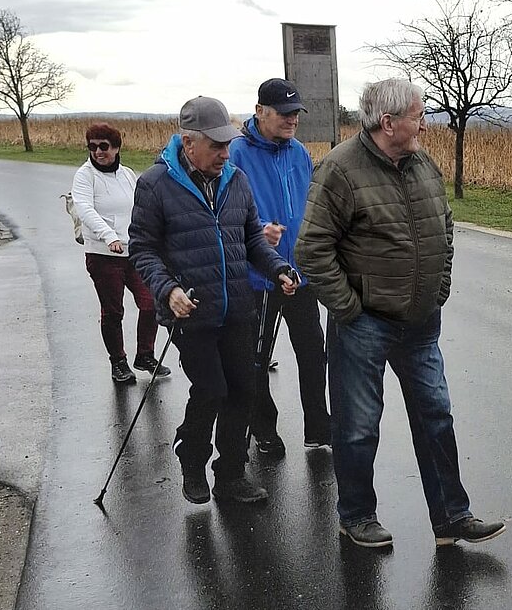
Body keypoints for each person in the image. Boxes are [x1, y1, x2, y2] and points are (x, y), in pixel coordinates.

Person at [295, 78, 506, 549]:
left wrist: (439, 288)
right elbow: (311, 250)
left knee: (436, 417)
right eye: (418, 116)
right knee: (358, 425)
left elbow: (444, 227)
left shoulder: (423, 164)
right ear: (388, 123)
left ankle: (452, 517)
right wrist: (349, 307)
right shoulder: (340, 170)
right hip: (364, 323)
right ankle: (356, 516)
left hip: (420, 324)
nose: (425, 125)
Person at [129, 96, 296, 506]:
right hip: (191, 311)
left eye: (227, 144)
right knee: (211, 389)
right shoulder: (155, 184)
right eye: (217, 145)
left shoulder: (236, 180)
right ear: (189, 143)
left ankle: (231, 474)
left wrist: (277, 268)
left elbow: (252, 238)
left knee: (243, 389)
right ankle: (192, 456)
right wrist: (168, 289)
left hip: (238, 306)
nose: (225, 153)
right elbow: (143, 249)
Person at [228, 78, 331, 458]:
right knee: (256, 358)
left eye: (296, 113)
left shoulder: (299, 153)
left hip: (298, 274)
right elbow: (223, 213)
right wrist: (256, 231)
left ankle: (318, 427)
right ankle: (264, 428)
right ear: (260, 111)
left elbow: (309, 206)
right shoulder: (236, 153)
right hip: (257, 276)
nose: (292, 120)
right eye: (284, 113)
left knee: (313, 352)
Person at [71, 122, 168, 385]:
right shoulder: (85, 176)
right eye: (92, 147)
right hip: (103, 255)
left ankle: (145, 355)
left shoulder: (127, 174)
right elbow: (85, 209)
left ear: (116, 147)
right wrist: (109, 236)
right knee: (113, 311)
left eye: (103, 146)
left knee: (150, 302)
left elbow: (141, 208)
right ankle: (118, 362)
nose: (98, 152)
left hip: (133, 252)